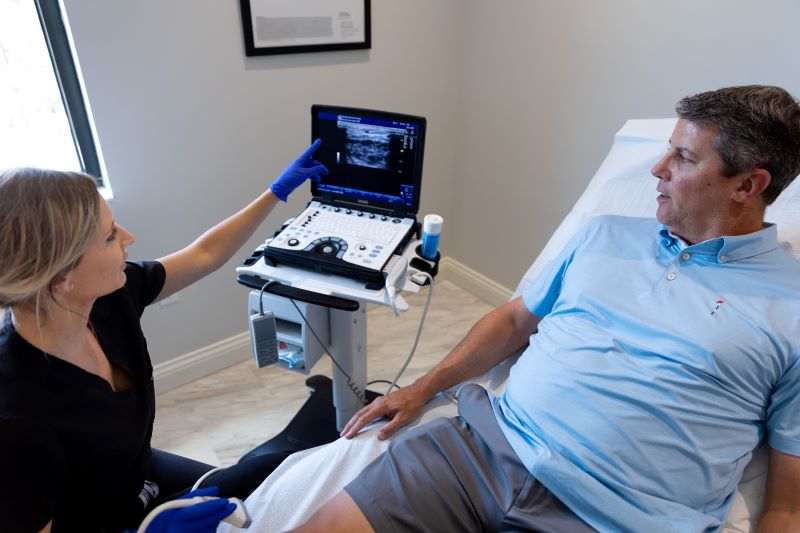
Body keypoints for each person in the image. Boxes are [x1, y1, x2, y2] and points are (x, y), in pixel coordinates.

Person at [290, 86, 800, 533]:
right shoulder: (606, 234)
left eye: (684, 158)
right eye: (667, 149)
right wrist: (422, 389)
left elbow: (786, 503)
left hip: (619, 518)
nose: (657, 168)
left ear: (748, 185)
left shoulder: (792, 307)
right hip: (475, 455)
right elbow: (515, 320)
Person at [0, 140, 328, 533]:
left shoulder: (108, 300)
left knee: (286, 473)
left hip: (138, 473)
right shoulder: (17, 419)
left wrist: (275, 193)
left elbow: (204, 253)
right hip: (103, 521)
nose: (129, 237)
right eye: (109, 237)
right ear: (61, 278)